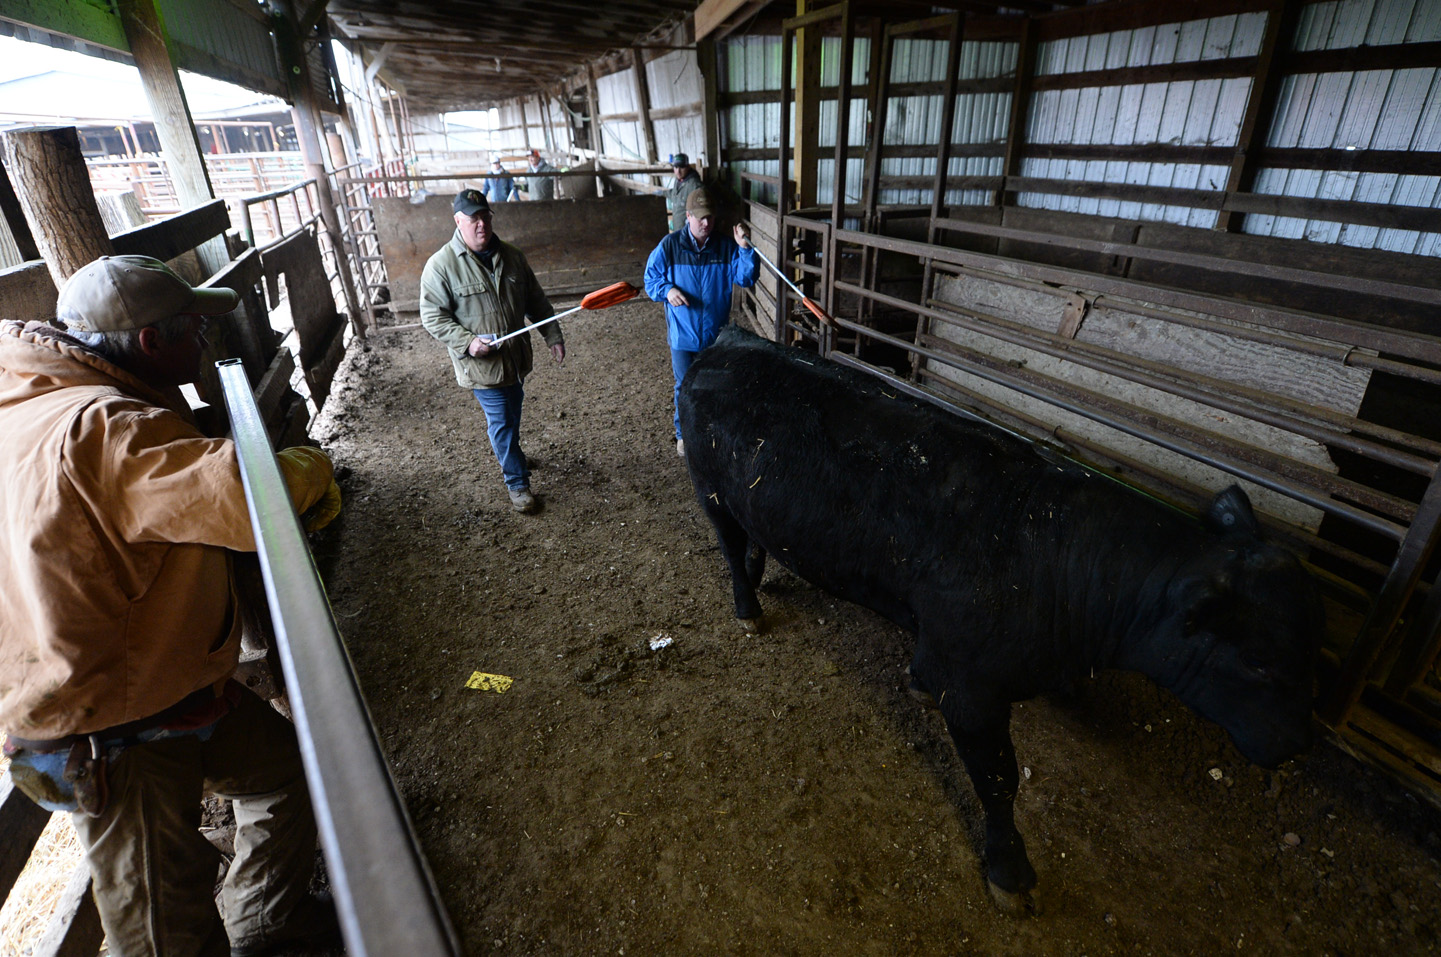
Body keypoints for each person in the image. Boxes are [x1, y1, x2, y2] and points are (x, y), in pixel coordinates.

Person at [0, 255, 344, 957]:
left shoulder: (27, 395)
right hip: (111, 723)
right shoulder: (107, 428)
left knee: (284, 772)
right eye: (195, 327)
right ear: (155, 343)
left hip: (144, 679)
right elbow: (253, 501)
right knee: (163, 929)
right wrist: (312, 466)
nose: (206, 342)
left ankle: (264, 926)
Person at [420, 189, 565, 513]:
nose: (481, 224)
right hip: (482, 366)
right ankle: (517, 483)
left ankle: (513, 451)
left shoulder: (513, 256)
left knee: (513, 410)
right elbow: (432, 315)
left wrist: (552, 335)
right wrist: (467, 342)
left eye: (485, 216)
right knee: (500, 420)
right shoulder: (441, 266)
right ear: (458, 221)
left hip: (514, 359)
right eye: (473, 218)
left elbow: (536, 301)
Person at [643, 187, 757, 457]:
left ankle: (713, 432)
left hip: (715, 334)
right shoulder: (670, 246)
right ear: (688, 216)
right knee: (684, 385)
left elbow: (745, 278)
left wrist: (744, 250)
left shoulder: (725, 247)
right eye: (701, 218)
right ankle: (684, 435)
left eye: (711, 218)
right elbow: (650, 280)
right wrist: (667, 290)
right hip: (683, 335)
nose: (707, 224)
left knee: (715, 384)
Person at [665, 152, 703, 232]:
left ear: (688, 167)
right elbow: (675, 195)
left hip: (688, 232)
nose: (678, 171)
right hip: (678, 229)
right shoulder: (678, 181)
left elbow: (702, 210)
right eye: (675, 167)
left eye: (681, 167)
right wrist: (662, 193)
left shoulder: (695, 185)